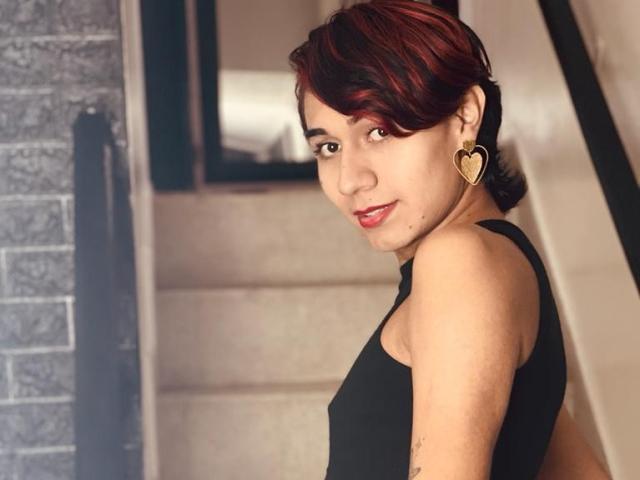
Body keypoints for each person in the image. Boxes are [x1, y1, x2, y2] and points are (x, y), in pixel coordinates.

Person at [288, 1, 612, 479]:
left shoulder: (458, 261)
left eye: (379, 131)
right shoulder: (494, 266)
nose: (350, 179)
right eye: (328, 147)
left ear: (464, 115)